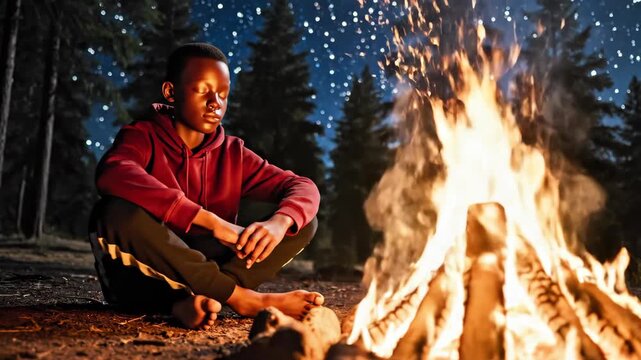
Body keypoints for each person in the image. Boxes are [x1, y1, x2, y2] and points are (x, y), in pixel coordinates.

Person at [88, 42, 323, 330]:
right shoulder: (142, 136)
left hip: (209, 268)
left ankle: (197, 300)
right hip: (147, 272)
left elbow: (302, 186)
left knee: (302, 221)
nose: (216, 104)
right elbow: (113, 173)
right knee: (113, 213)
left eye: (223, 95)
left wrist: (279, 222)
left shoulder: (233, 153)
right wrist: (209, 221)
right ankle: (241, 299)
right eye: (203, 91)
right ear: (171, 92)